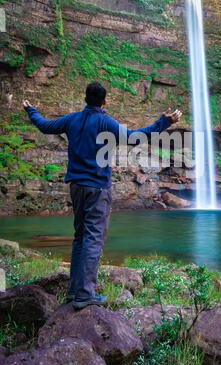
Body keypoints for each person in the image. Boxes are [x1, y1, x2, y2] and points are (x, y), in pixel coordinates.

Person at [23, 82, 182, 310]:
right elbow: (136, 137)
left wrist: (31, 110)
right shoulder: (105, 122)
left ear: (85, 98)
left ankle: (74, 292)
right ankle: (84, 295)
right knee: (93, 238)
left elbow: (44, 126)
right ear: (104, 101)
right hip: (97, 188)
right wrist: (164, 122)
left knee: (80, 237)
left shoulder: (72, 119)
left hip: (76, 186)